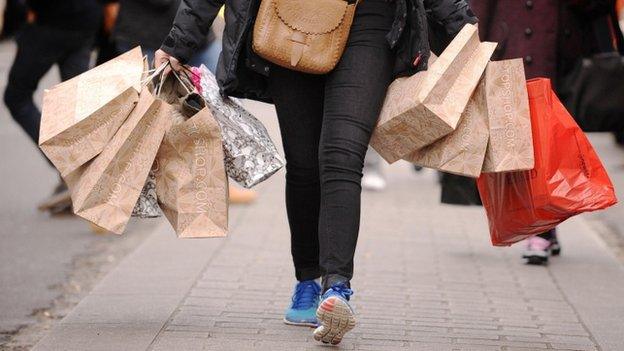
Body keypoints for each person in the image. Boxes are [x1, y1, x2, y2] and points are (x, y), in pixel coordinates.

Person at [155, 0, 476, 344]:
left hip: (370, 19)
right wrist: (179, 42)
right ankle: (307, 280)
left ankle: (337, 287)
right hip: (290, 16)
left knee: (342, 153)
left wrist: (466, 35)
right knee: (305, 162)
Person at [468, 0, 619, 264]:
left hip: (563, 52)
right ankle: (540, 228)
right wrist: (472, 46)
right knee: (528, 139)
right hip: (511, 43)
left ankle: (544, 226)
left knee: (550, 141)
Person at [3, 0, 107, 214]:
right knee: (73, 101)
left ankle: (71, 168)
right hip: (86, 20)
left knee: (17, 97)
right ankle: (82, 171)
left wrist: (18, 17)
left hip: (51, 21)